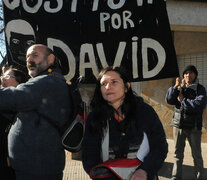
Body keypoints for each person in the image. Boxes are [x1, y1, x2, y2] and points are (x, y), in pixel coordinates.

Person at [82, 66, 168, 180]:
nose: (108, 87)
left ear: (127, 87)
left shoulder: (145, 112)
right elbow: (89, 157)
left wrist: (145, 170)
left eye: (114, 82)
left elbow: (160, 147)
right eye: (103, 84)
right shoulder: (95, 118)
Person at [0, 44, 71, 180]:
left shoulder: (49, 81)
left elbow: (14, 98)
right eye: (27, 57)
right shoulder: (47, 81)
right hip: (34, 166)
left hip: (38, 169)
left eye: (35, 55)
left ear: (50, 59)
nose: (29, 60)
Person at [166, 65, 206, 180]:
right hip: (179, 125)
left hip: (194, 127)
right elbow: (169, 100)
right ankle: (176, 176)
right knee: (177, 154)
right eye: (186, 73)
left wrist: (183, 100)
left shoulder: (200, 89)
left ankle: (199, 177)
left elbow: (198, 106)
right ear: (183, 75)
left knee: (196, 155)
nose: (188, 75)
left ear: (195, 75)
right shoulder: (179, 87)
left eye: (191, 73)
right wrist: (175, 87)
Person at [0, 66, 28, 180]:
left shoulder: (27, 110)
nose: (2, 79)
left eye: (7, 76)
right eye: (2, 76)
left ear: (19, 82)